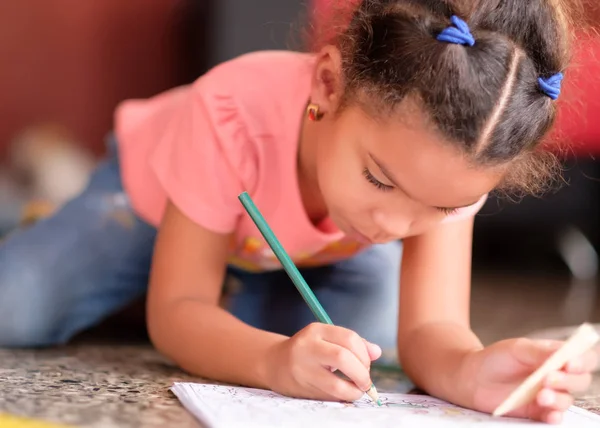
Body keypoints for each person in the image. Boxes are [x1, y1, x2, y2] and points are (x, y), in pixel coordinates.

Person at [0, 0, 595, 423]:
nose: (392, 227)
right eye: (377, 179)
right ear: (329, 84)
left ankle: (174, 295)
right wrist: (271, 359)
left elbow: (429, 331)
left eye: (440, 208)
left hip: (283, 252)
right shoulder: (229, 113)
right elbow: (179, 310)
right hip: (145, 204)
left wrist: (470, 372)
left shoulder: (459, 157)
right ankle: (43, 212)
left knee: (368, 339)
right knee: (18, 306)